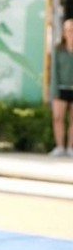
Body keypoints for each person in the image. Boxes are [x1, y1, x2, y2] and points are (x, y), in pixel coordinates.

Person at [50, 17, 73, 157]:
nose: (70, 33)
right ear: (64, 32)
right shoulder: (58, 50)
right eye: (67, 30)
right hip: (61, 88)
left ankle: (71, 148)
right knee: (57, 118)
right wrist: (54, 91)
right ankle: (59, 147)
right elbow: (54, 72)